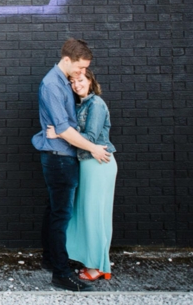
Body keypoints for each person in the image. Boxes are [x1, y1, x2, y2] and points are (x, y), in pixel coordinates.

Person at [32, 38, 111, 292]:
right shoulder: (52, 85)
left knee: (54, 210)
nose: (82, 73)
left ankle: (50, 259)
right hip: (59, 158)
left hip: (61, 155)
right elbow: (64, 128)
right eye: (79, 68)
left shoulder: (63, 82)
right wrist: (92, 147)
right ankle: (61, 273)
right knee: (61, 214)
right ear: (67, 60)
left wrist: (61, 132)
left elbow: (67, 126)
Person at [47, 69, 117, 281]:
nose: (76, 85)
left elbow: (91, 137)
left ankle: (99, 267)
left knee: (96, 217)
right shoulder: (83, 104)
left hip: (98, 164)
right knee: (87, 215)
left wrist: (60, 133)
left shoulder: (95, 104)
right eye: (72, 82)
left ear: (90, 80)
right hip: (87, 164)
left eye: (80, 80)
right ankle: (95, 263)